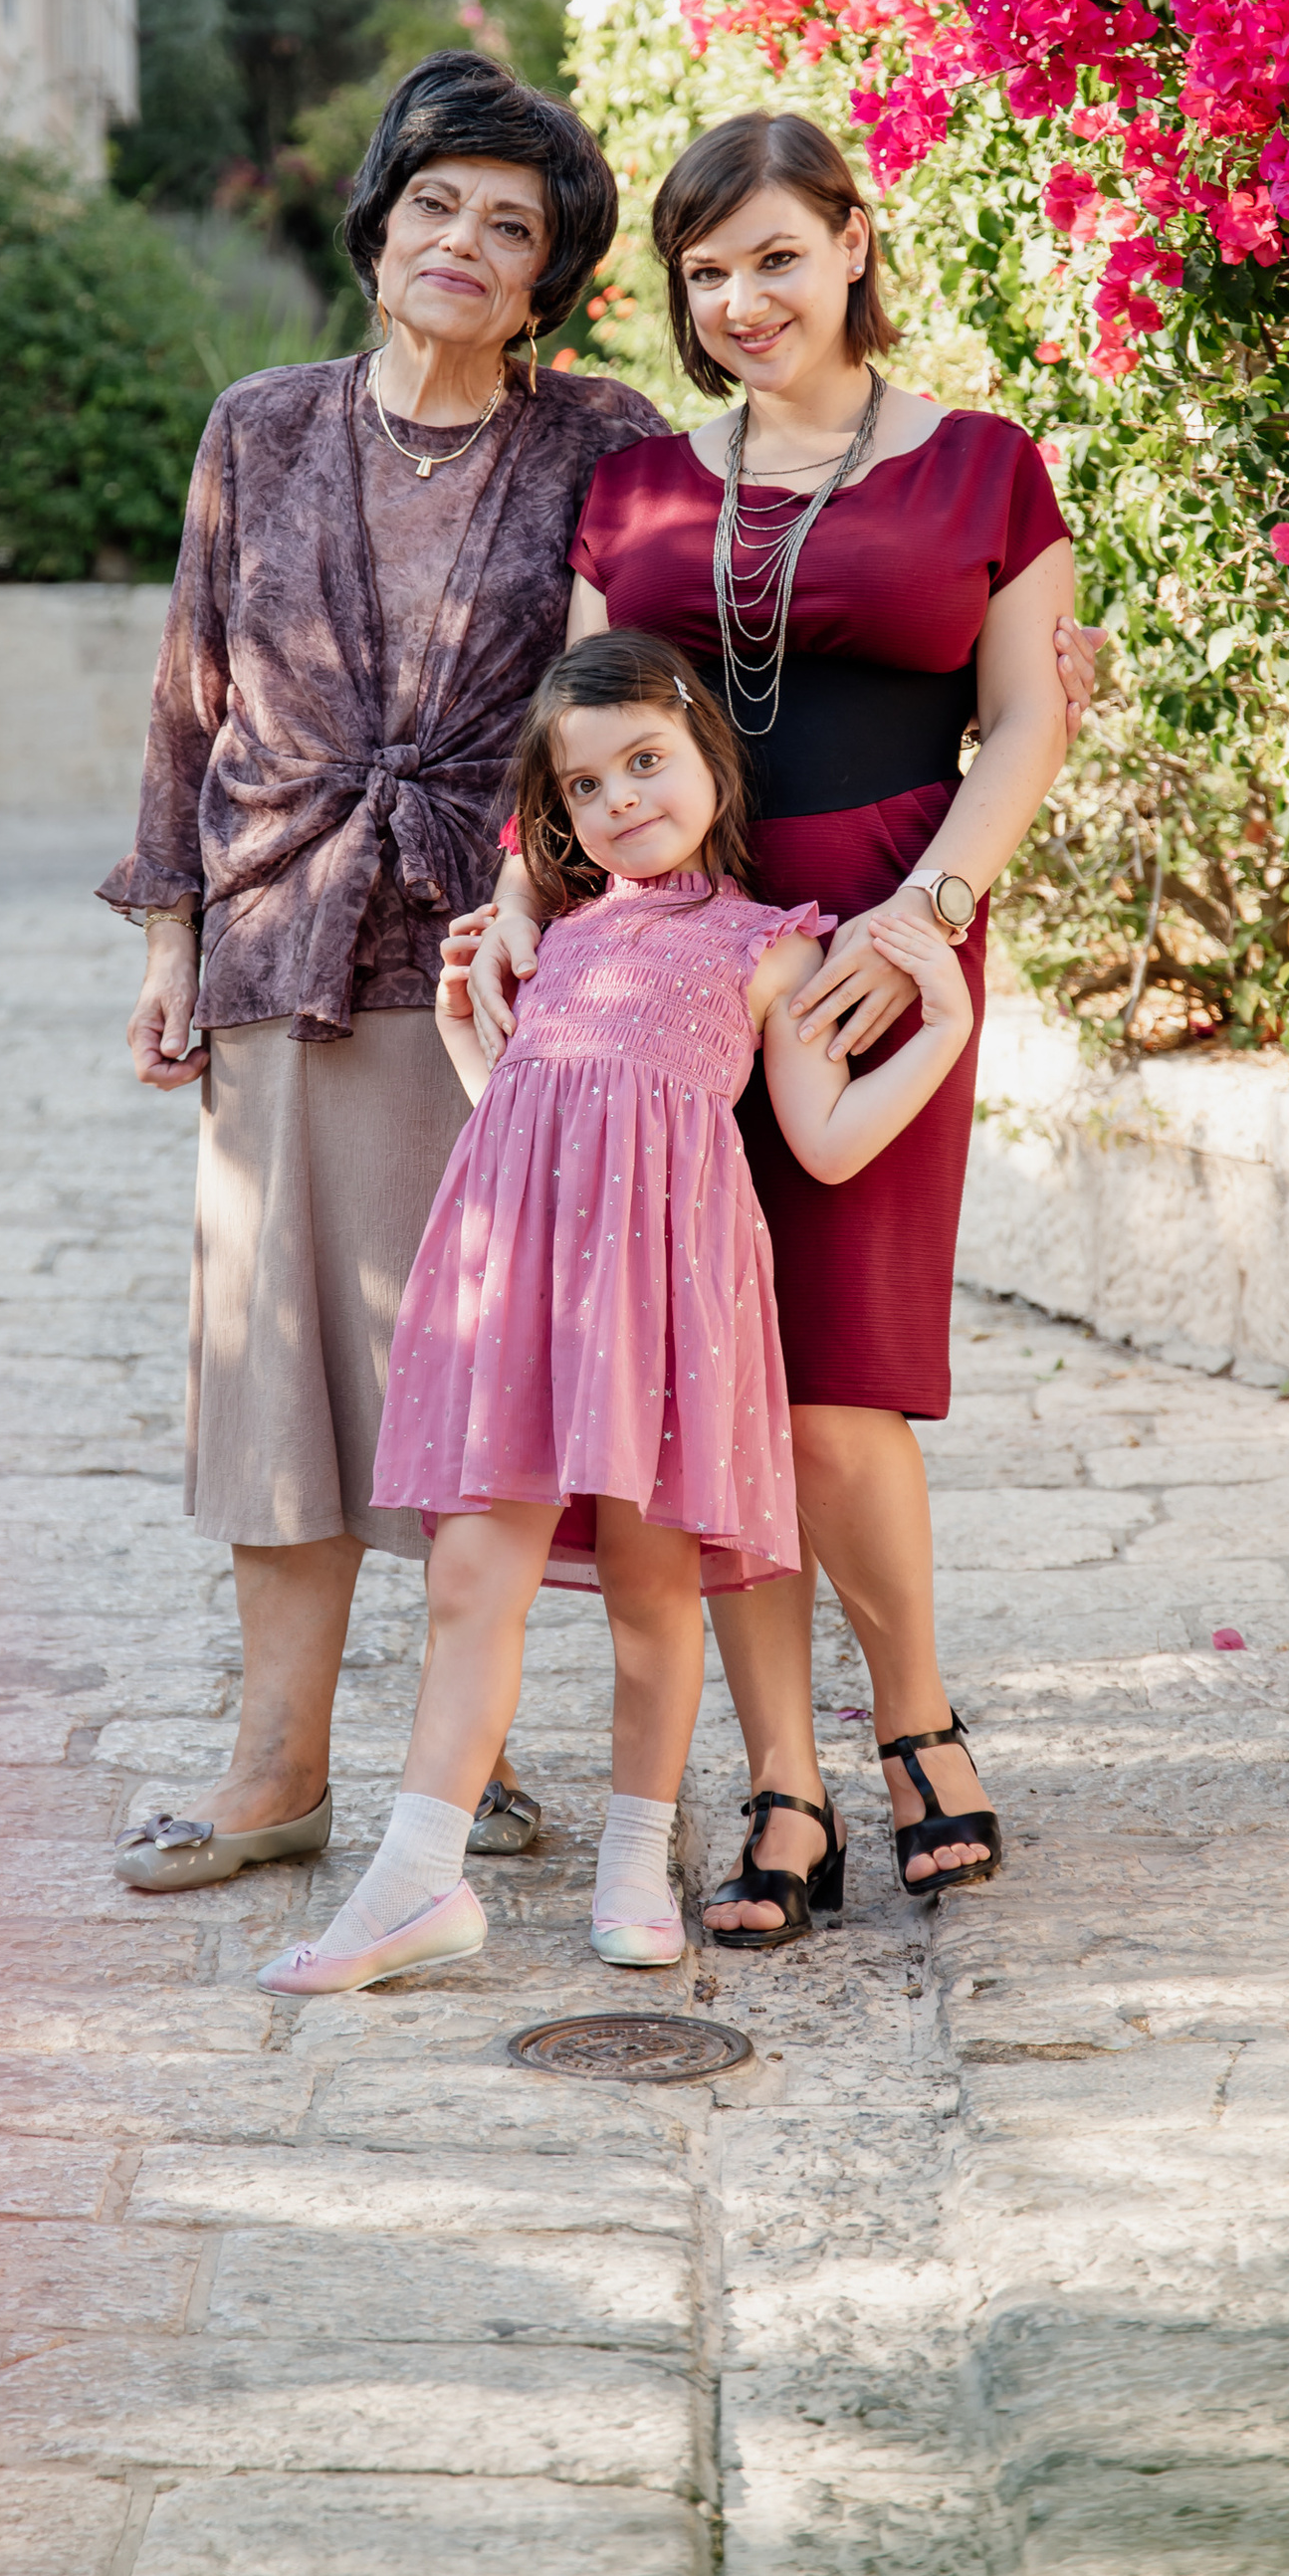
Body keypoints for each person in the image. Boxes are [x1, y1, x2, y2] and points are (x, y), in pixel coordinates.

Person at [463, 110, 1076, 1940]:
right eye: (707, 272)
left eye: (777, 258)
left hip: (883, 944)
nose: (742, 300)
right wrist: (521, 898)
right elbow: (573, 720)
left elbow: (1032, 720)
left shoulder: (984, 468)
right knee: (703, 1389)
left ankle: (920, 1732)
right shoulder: (642, 487)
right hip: (661, 966)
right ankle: (783, 1786)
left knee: (836, 1387)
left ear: (857, 245)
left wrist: (930, 912)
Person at [101, 54, 667, 1893]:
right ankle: (277, 1773)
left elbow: (656, 689)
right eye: (437, 205)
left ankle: (465, 1750)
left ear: (545, 281)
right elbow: (192, 695)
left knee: (474, 1372)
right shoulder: (259, 426)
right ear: (379, 227)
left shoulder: (602, 441)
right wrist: (174, 934)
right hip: (285, 937)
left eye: (511, 227)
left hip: (505, 975)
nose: (465, 244)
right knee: (283, 1377)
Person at [257, 630, 976, 1999]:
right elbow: (529, 1121)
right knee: (475, 1576)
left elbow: (821, 1143)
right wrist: (480, 1026)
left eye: (647, 761)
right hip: (514, 1289)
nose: (623, 799)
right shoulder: (557, 937)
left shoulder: (770, 951)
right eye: (587, 787)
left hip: (660, 1316)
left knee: (655, 1596)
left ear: (710, 756)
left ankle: (636, 1861)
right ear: (561, 818)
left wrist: (935, 1028)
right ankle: (417, 1880)